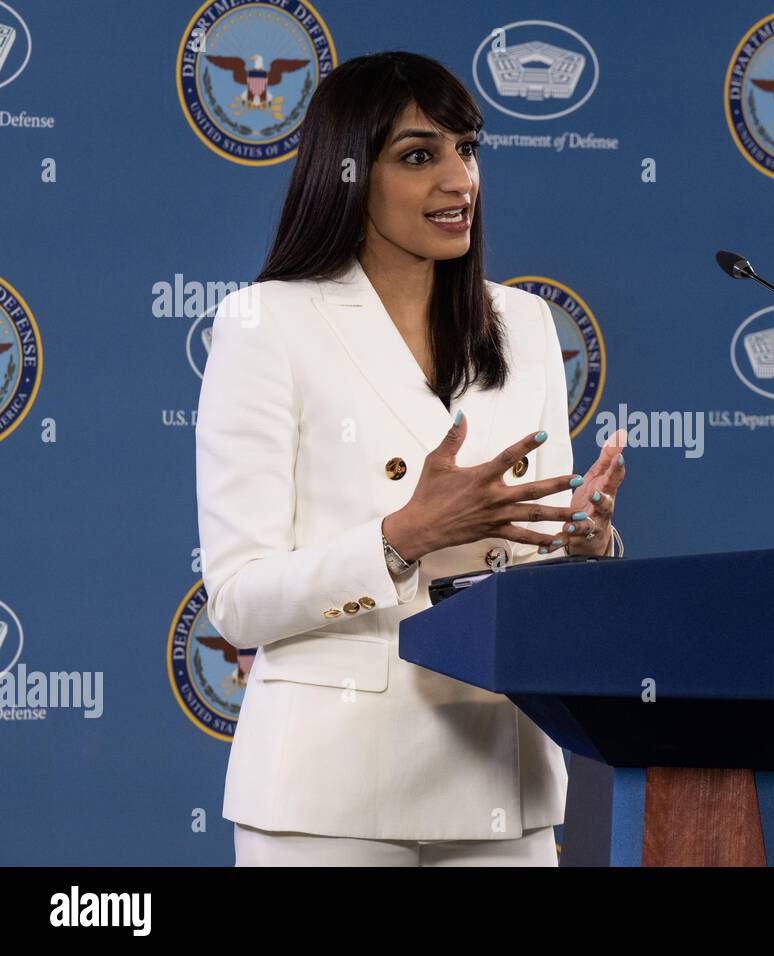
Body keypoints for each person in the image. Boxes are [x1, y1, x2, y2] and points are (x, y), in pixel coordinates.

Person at [194, 51, 627, 866]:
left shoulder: (528, 326)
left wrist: (584, 545)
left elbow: (534, 567)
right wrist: (399, 537)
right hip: (326, 799)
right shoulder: (265, 325)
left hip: (503, 781)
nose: (459, 179)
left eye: (469, 149)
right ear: (347, 172)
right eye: (419, 155)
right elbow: (240, 601)